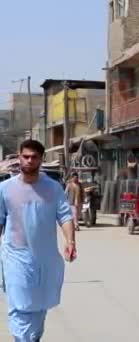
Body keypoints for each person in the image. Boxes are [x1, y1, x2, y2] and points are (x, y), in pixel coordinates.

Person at [0, 140, 76, 341]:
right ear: (19, 157)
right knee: (20, 305)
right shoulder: (5, 189)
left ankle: (31, 338)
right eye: (25, 156)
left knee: (38, 306)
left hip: (45, 259)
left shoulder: (53, 188)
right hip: (15, 256)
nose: (29, 161)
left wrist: (71, 242)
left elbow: (65, 216)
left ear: (41, 159)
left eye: (34, 157)